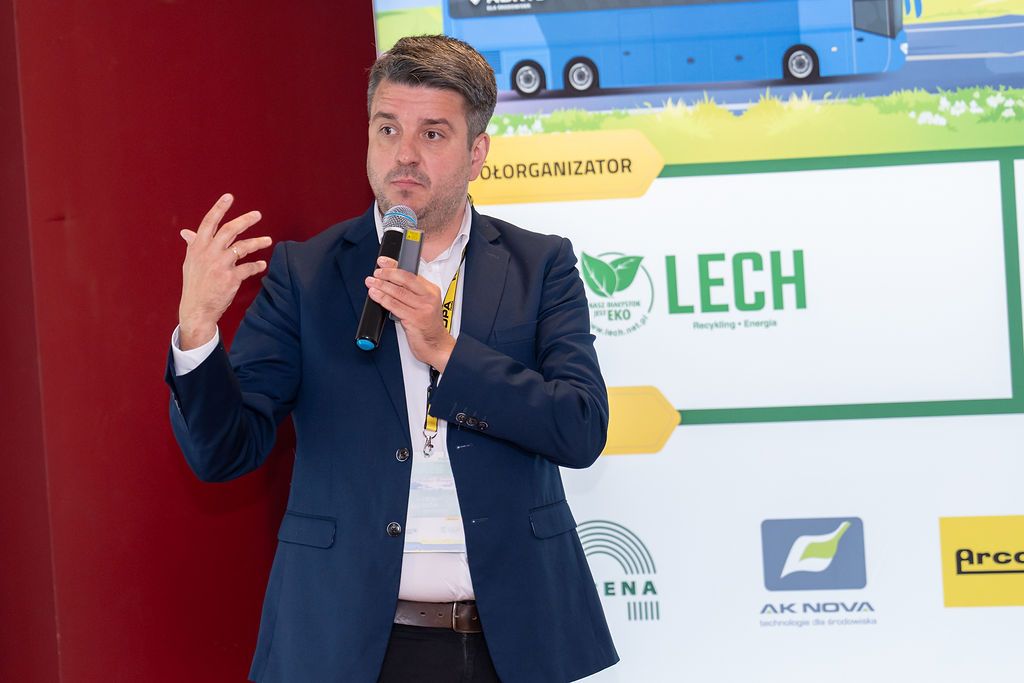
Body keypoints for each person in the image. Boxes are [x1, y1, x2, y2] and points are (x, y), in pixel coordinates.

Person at [165, 35, 617, 683]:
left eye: (432, 133)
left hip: (514, 643)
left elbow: (580, 428)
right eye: (387, 129)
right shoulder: (307, 273)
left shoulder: (539, 265)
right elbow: (223, 452)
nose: (405, 153)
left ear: (477, 152)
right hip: (346, 645)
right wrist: (198, 330)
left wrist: (446, 351)